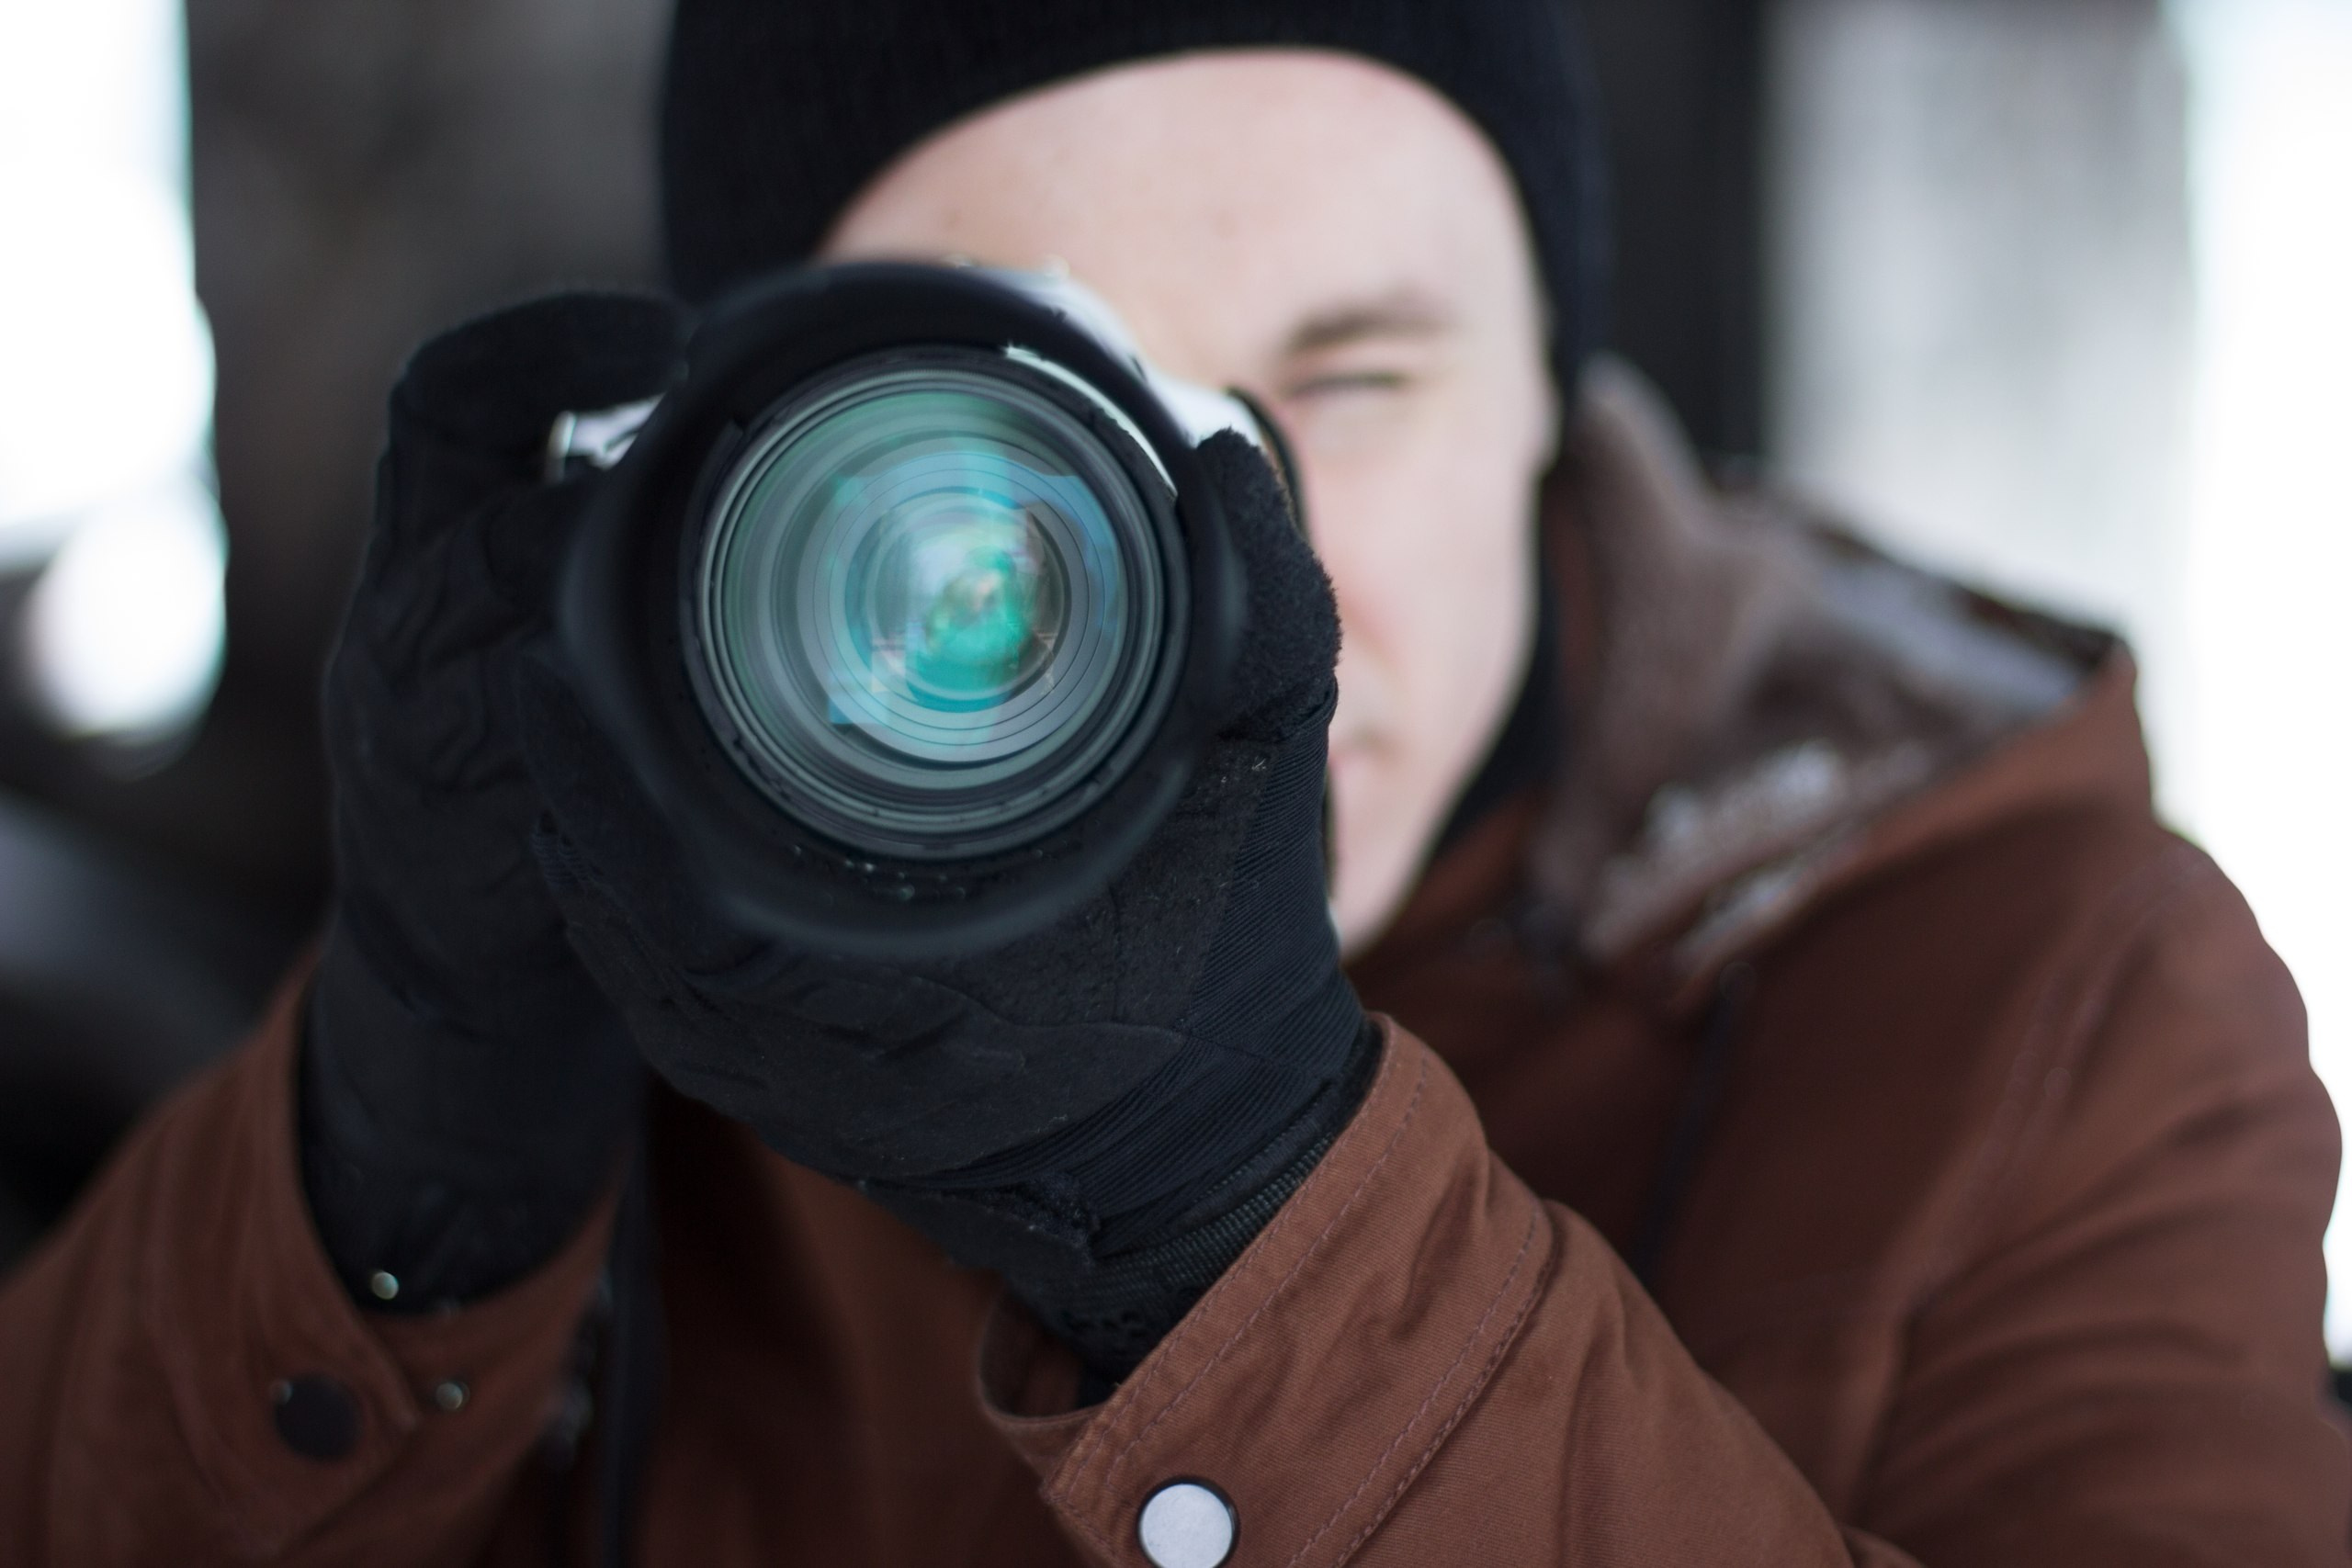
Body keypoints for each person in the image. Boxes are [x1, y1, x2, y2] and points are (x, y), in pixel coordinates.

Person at [3, 2, 2345, 1563]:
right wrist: (386, 1190)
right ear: (740, 468)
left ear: (1565, 408)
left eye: (1354, 377)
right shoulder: (652, 921)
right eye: (1039, 424)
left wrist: (1237, 1215)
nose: (1247, 572)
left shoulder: (2052, 994)